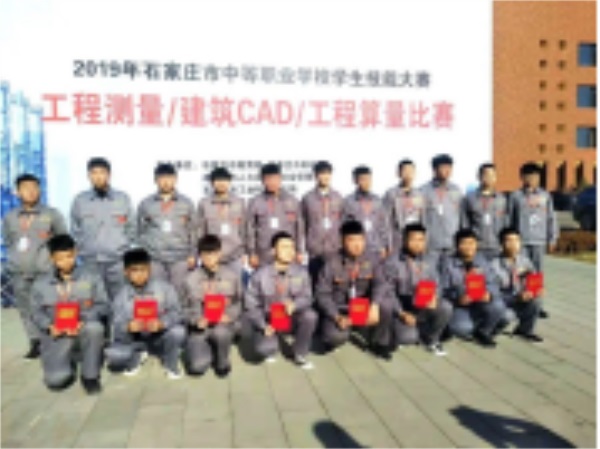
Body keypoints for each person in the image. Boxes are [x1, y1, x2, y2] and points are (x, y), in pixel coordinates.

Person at [30, 234, 108, 393]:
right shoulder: (40, 284)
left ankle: (90, 375)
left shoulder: (91, 276)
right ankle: (67, 361)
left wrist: (83, 320)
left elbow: (104, 305)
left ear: (75, 253)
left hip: (81, 327)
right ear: (52, 258)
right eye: (60, 258)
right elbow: (36, 312)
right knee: (56, 381)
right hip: (57, 333)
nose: (66, 262)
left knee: (95, 329)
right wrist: (49, 326)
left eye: (69, 256)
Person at [2, 173, 67, 359]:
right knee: (26, 308)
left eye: (34, 188)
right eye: (25, 188)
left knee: (51, 306)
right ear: (17, 192)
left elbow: (63, 240)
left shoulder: (52, 214)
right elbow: (9, 241)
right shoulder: (10, 217)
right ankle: (35, 341)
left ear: (39, 190)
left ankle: (57, 340)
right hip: (19, 272)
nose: (30, 192)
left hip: (45, 271)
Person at [315, 221, 393, 360]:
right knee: (335, 337)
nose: (358, 245)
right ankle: (331, 331)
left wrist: (375, 305)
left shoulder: (373, 259)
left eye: (361, 239)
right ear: (342, 241)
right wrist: (336, 316)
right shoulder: (331, 262)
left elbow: (381, 283)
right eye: (352, 240)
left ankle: (379, 343)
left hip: (364, 307)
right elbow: (322, 294)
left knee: (386, 304)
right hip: (341, 310)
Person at [105, 248, 186, 379]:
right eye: (134, 270)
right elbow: (116, 322)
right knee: (114, 356)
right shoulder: (120, 295)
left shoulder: (165, 288)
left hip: (158, 336)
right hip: (135, 339)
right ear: (126, 272)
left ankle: (170, 363)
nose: (139, 275)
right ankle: (136, 356)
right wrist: (128, 326)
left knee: (178, 332)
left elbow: (176, 312)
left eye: (143, 270)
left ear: (149, 269)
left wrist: (162, 323)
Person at [243, 231, 317, 369]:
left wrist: (295, 304)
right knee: (264, 349)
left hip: (291, 318)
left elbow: (307, 297)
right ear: (273, 251)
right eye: (284, 247)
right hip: (269, 321)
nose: (289, 251)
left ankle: (300, 353)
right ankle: (271, 343)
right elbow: (251, 305)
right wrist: (262, 325)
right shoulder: (260, 275)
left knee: (310, 316)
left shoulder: (301, 273)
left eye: (292, 247)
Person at [380, 223, 452, 356]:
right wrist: (401, 313)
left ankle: (432, 339)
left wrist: (435, 296)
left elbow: (437, 282)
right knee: (408, 338)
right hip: (403, 307)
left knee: (446, 307)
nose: (418, 244)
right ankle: (410, 330)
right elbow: (388, 292)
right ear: (404, 240)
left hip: (423, 304)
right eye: (413, 240)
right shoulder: (392, 262)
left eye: (421, 240)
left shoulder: (430, 260)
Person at [70, 157, 136, 300]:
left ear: (109, 174)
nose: (98, 177)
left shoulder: (122, 199)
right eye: (94, 173)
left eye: (102, 172)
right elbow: (75, 229)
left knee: (120, 299)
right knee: (91, 300)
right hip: (90, 261)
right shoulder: (80, 201)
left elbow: (132, 227)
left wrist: (122, 246)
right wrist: (83, 249)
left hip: (117, 261)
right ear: (88, 176)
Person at [182, 235, 243, 377]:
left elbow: (239, 302)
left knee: (221, 333)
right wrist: (195, 321)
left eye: (213, 254)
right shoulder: (190, 279)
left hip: (222, 325)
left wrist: (230, 316)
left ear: (220, 253)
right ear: (199, 256)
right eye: (205, 254)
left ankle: (222, 362)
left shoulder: (232, 276)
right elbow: (183, 308)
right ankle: (209, 349)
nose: (209, 258)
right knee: (197, 367)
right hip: (200, 329)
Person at [507, 162, 558, 319]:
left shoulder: (545, 196)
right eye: (528, 176)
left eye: (535, 176)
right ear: (522, 177)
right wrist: (508, 240)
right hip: (521, 242)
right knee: (519, 272)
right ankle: (519, 302)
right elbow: (509, 219)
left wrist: (552, 238)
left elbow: (551, 218)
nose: (531, 179)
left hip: (539, 241)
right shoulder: (516, 196)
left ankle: (536, 305)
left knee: (536, 273)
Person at [137, 163, 197, 297]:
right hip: (155, 259)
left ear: (175, 179)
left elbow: (193, 231)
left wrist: (193, 254)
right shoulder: (146, 204)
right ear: (155, 180)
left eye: (169, 178)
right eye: (161, 178)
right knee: (157, 295)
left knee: (180, 294)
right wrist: (144, 255)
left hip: (180, 258)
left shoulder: (186, 203)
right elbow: (140, 231)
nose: (165, 182)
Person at [441, 229, 507, 348]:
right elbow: (443, 289)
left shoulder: (482, 261)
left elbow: (493, 283)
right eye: (464, 243)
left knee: (500, 307)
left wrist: (489, 294)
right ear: (457, 246)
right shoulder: (448, 263)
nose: (468, 247)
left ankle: (484, 332)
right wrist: (457, 298)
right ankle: (473, 325)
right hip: (460, 307)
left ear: (477, 245)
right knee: (460, 328)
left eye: (471, 243)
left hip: (481, 303)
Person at [246, 163, 304, 268]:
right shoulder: (255, 202)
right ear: (262, 181)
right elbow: (250, 230)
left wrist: (300, 251)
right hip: (264, 255)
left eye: (275, 178)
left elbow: (299, 228)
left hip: (287, 253)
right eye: (268, 179)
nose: (272, 182)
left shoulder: (293, 201)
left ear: (280, 178)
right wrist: (252, 253)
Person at [491, 228, 543, 342]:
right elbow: (492, 294)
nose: (513, 244)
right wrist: (515, 298)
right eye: (509, 241)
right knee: (507, 316)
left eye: (516, 240)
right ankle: (489, 328)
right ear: (501, 244)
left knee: (535, 302)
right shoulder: (494, 265)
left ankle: (524, 330)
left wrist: (534, 290)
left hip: (519, 299)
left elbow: (534, 281)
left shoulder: (525, 261)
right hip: (502, 302)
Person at [197, 167, 246, 276]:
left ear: (229, 182)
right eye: (217, 180)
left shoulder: (239, 203)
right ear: (212, 183)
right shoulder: (204, 203)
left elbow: (244, 229)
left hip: (235, 256)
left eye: (224, 180)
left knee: (234, 285)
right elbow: (200, 231)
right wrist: (201, 253)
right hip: (211, 256)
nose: (221, 183)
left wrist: (244, 253)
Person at [301, 161, 343, 285]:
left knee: (335, 284)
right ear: (315, 175)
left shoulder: (338, 197)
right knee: (315, 282)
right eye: (321, 174)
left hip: (335, 249)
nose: (325, 177)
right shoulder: (307, 198)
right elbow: (302, 224)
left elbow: (343, 222)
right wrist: (304, 247)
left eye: (327, 174)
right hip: (315, 250)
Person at [461, 163, 509, 261]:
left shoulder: (502, 199)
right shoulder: (469, 198)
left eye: (492, 175)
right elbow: (464, 223)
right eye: (486, 175)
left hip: (497, 246)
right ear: (479, 177)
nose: (489, 178)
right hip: (476, 247)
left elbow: (506, 223)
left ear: (495, 178)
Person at [421, 154, 463, 266]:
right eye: (443, 167)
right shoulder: (423, 191)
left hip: (452, 244)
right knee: (430, 273)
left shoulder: (456, 190)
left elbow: (461, 216)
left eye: (450, 167)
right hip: (431, 245)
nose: (447, 170)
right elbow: (420, 218)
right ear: (434, 169)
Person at [342, 166, 390, 260]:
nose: (367, 182)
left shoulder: (377, 200)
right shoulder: (348, 201)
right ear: (355, 181)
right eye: (363, 179)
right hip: (357, 248)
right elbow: (344, 227)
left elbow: (384, 224)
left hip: (376, 248)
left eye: (369, 179)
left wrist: (385, 245)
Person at [383, 159, 426, 254]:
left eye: (411, 171)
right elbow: (385, 220)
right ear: (398, 173)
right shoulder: (391, 194)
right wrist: (387, 244)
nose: (408, 174)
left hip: (414, 240)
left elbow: (422, 219)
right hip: (397, 240)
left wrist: (423, 241)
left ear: (415, 173)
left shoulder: (419, 194)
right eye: (405, 171)